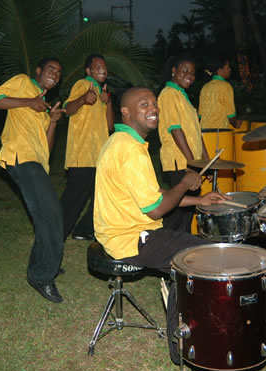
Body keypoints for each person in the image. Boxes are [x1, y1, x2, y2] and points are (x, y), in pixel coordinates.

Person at [94, 87, 227, 271]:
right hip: (131, 240)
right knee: (210, 254)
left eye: (155, 104)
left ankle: (179, 294)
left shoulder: (120, 140)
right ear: (126, 112)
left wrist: (199, 200)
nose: (154, 109)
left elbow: (154, 193)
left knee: (193, 251)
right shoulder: (130, 149)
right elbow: (156, 210)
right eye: (144, 105)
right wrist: (184, 184)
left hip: (120, 234)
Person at [0, 58, 66, 303]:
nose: (56, 74)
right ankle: (41, 275)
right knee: (48, 213)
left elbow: (47, 146)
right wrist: (29, 101)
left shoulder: (43, 104)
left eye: (59, 72)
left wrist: (51, 121)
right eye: (51, 69)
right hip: (20, 157)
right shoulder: (22, 82)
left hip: (37, 161)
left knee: (49, 213)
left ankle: (45, 263)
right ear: (39, 71)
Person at [60, 54, 114, 241]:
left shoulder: (101, 92)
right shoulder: (83, 85)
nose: (103, 69)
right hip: (82, 153)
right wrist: (83, 98)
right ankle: (55, 231)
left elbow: (109, 126)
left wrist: (107, 102)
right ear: (88, 71)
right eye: (97, 66)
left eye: (105, 67)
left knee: (102, 196)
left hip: (99, 154)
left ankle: (85, 229)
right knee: (74, 198)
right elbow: (67, 109)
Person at [158, 55, 209, 233]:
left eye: (193, 73)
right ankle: (165, 245)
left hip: (190, 163)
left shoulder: (183, 96)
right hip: (178, 162)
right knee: (176, 211)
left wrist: (206, 161)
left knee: (187, 211)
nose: (190, 75)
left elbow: (196, 133)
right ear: (174, 71)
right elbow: (175, 130)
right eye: (185, 70)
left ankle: (182, 249)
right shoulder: (169, 94)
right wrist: (191, 163)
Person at [198, 57, 243, 130]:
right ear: (220, 71)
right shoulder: (226, 86)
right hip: (218, 131)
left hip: (203, 131)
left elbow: (200, 115)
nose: (229, 69)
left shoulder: (205, 87)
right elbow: (231, 116)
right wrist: (236, 124)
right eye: (227, 67)